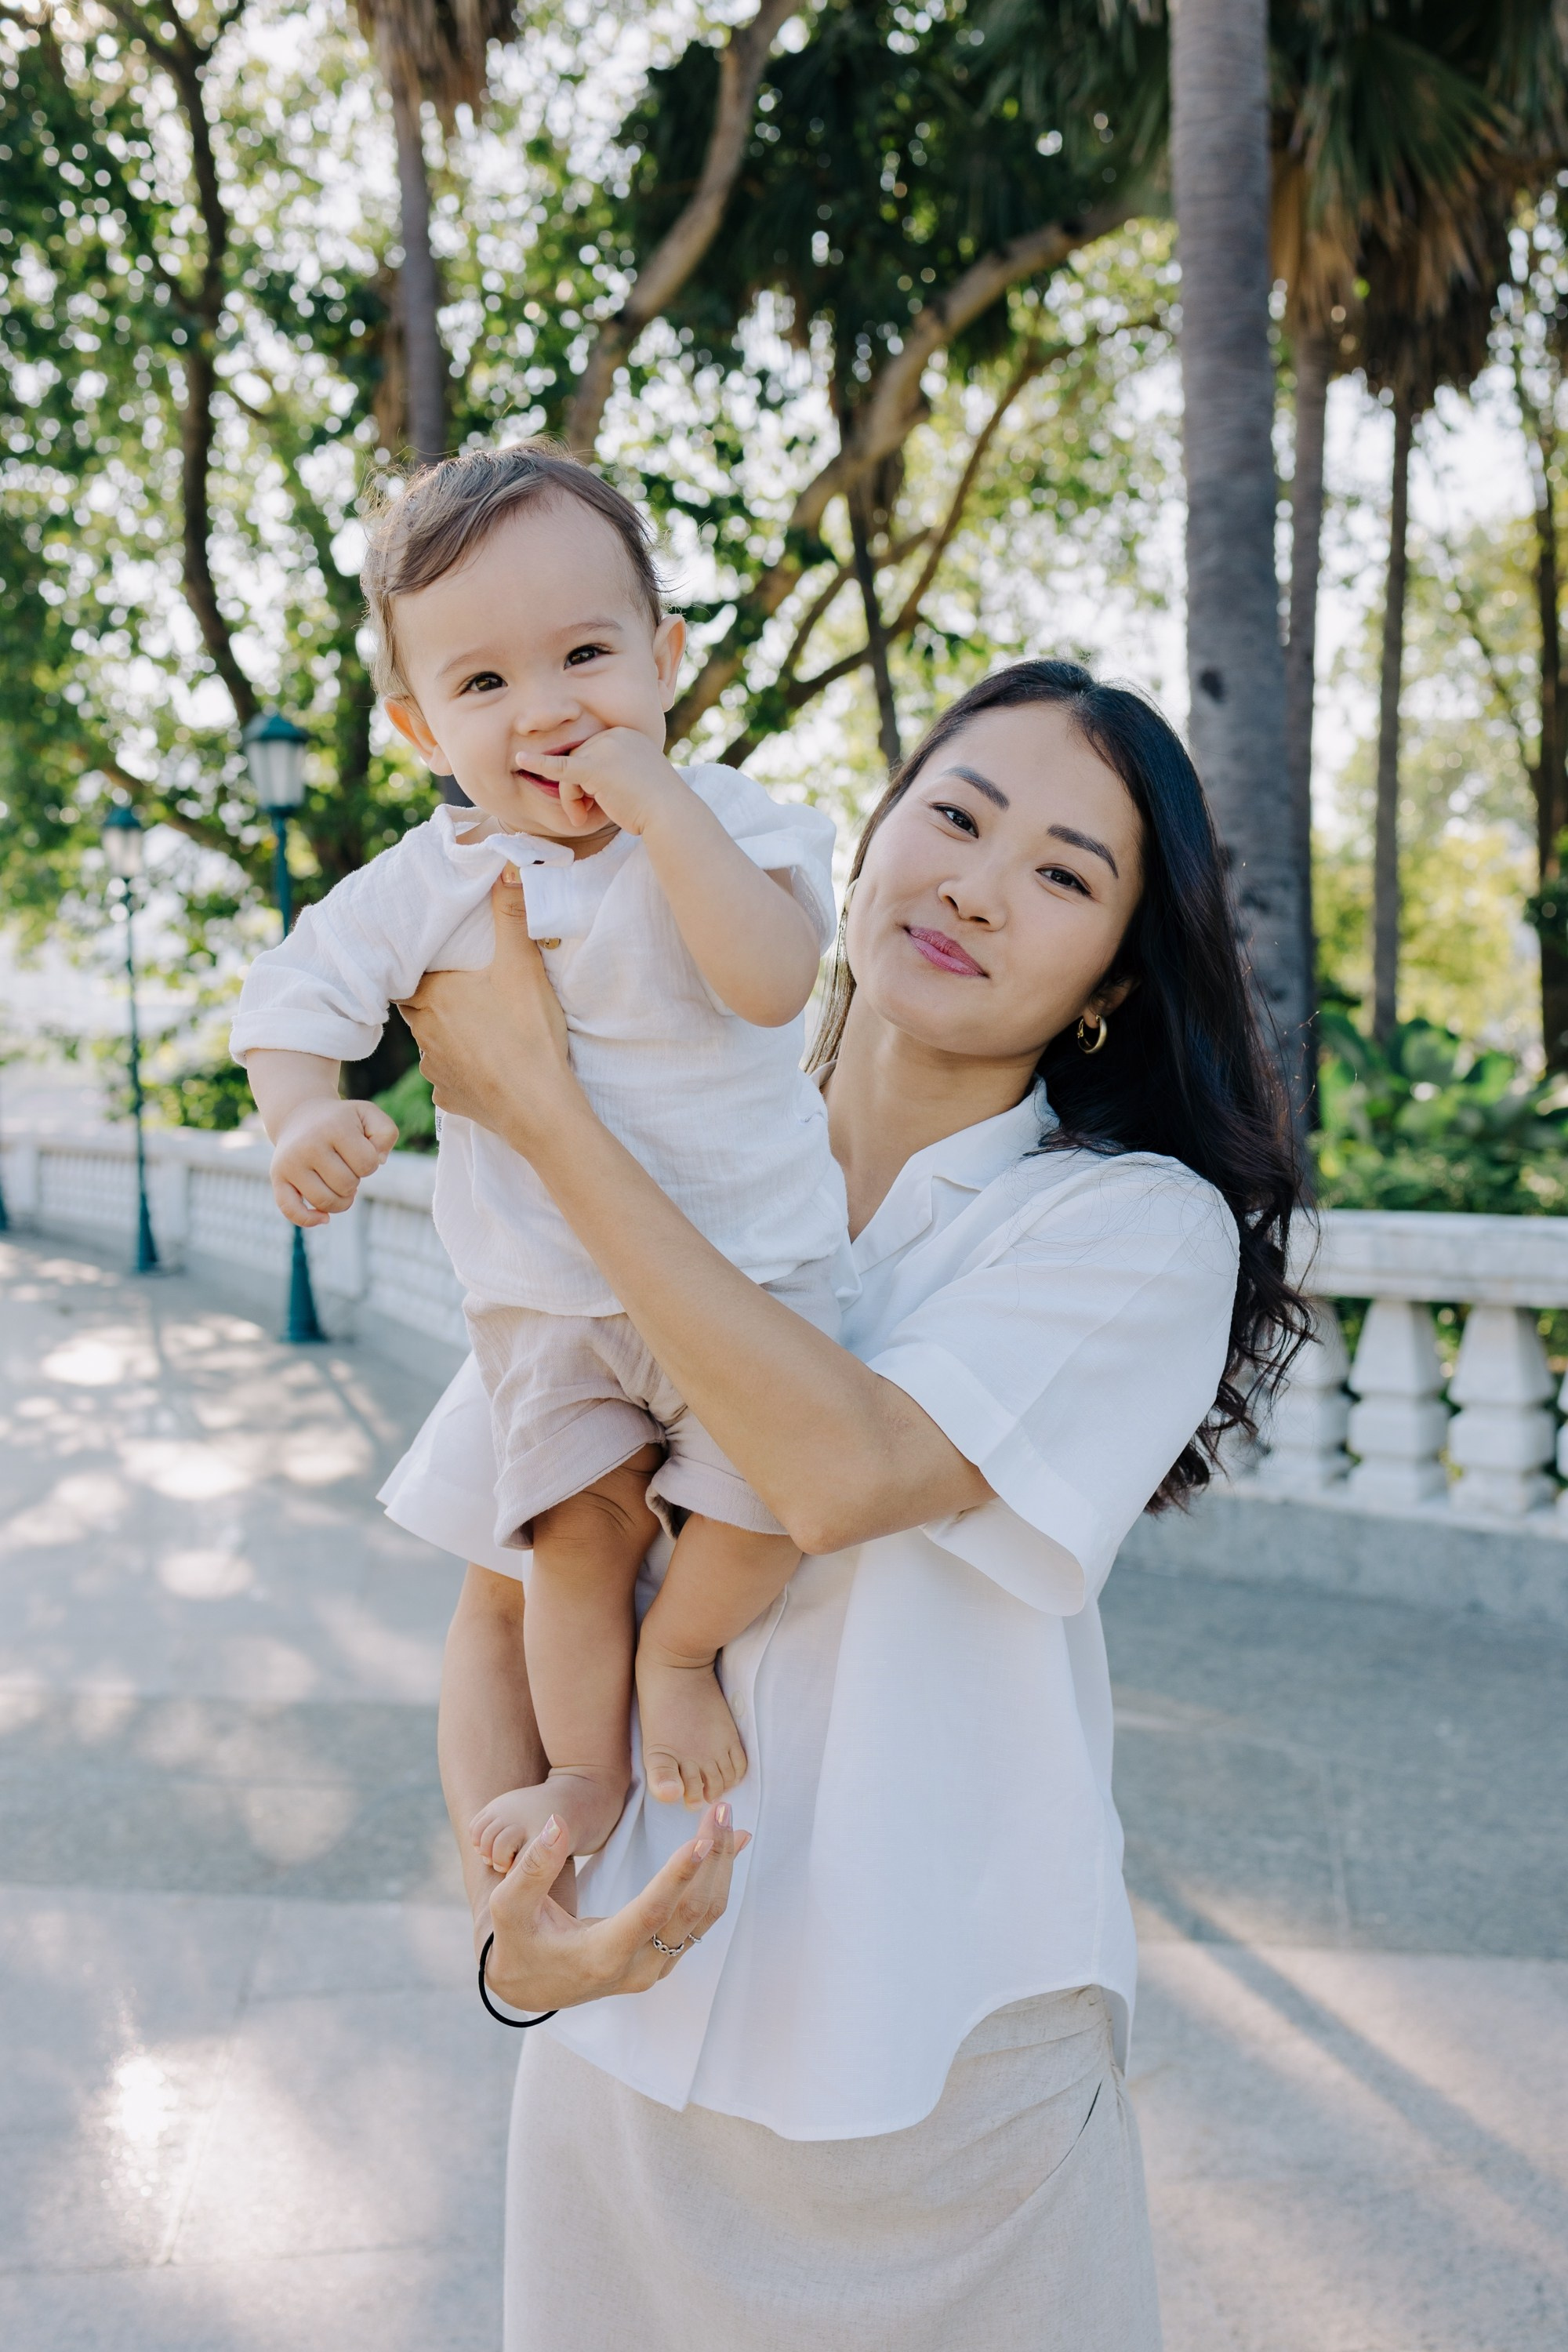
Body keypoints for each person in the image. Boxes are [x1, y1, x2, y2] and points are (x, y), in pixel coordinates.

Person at [387, 658, 1306, 2351]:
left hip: (943, 2092)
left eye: (1061, 872)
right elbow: (507, 1594)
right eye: (953, 817)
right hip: (624, 2060)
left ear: (1107, 979)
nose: (976, 882)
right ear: (867, 846)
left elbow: (837, 1471)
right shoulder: (677, 1155)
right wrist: (515, 1926)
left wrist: (542, 1112)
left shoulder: (1121, 1229)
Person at [231, 442, 851, 1867]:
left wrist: (665, 811)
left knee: (772, 1509)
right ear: (419, 727)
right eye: (486, 685)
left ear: (666, 657)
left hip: (755, 1286)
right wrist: (305, 1114)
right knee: (572, 1542)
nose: (550, 712)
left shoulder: (740, 822)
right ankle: (585, 1776)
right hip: (550, 1309)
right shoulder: (428, 882)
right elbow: (291, 996)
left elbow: (768, 981)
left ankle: (680, 1654)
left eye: (587, 655)